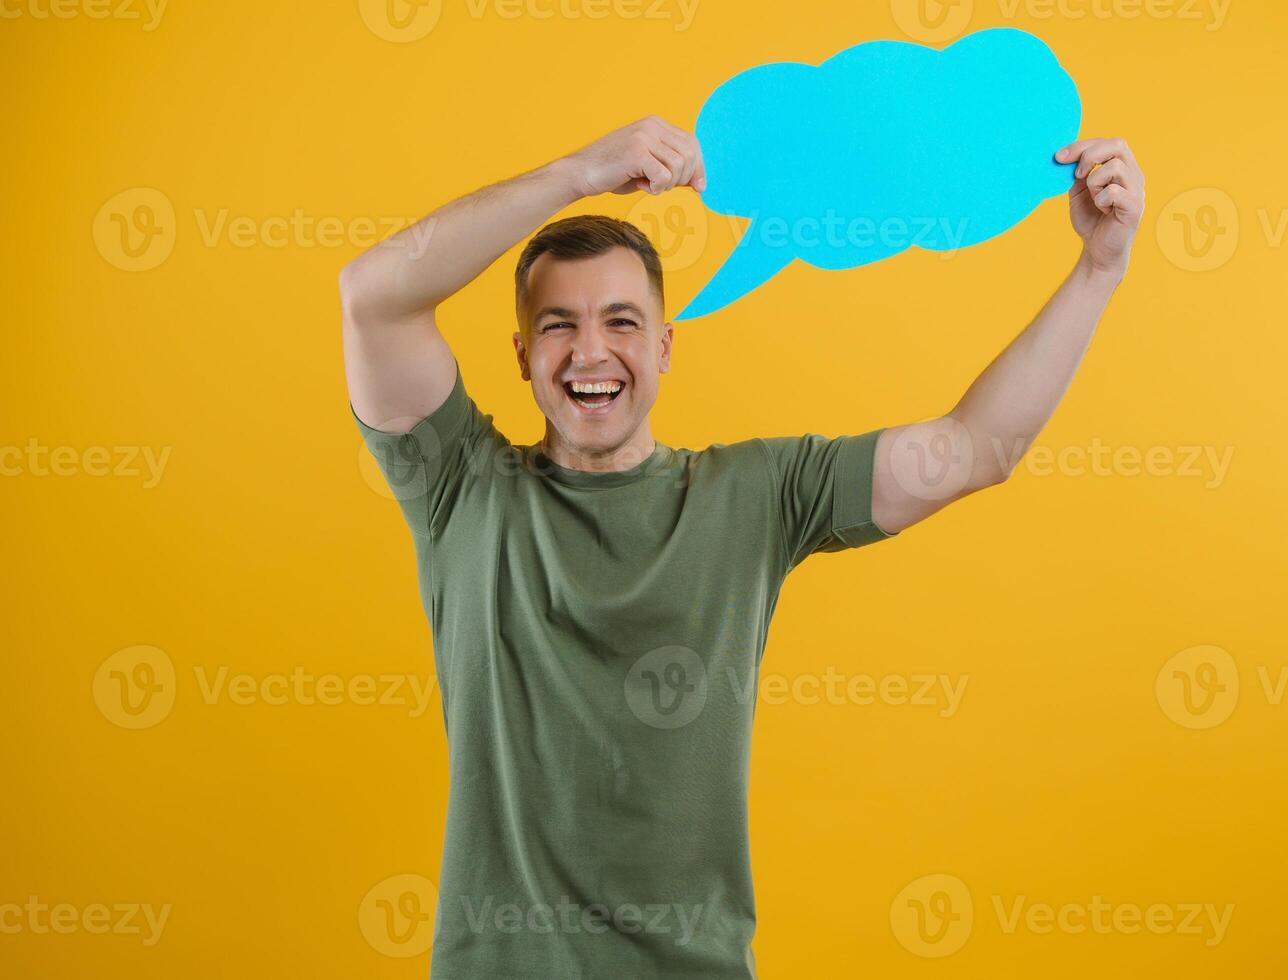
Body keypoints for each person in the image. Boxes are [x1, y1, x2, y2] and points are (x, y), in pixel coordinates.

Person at [341, 114, 1144, 978]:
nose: (590, 352)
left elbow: (973, 449)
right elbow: (373, 295)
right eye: (557, 326)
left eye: (620, 322)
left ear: (663, 347)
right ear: (522, 357)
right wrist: (576, 174)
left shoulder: (753, 496)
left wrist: (1099, 269)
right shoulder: (458, 486)